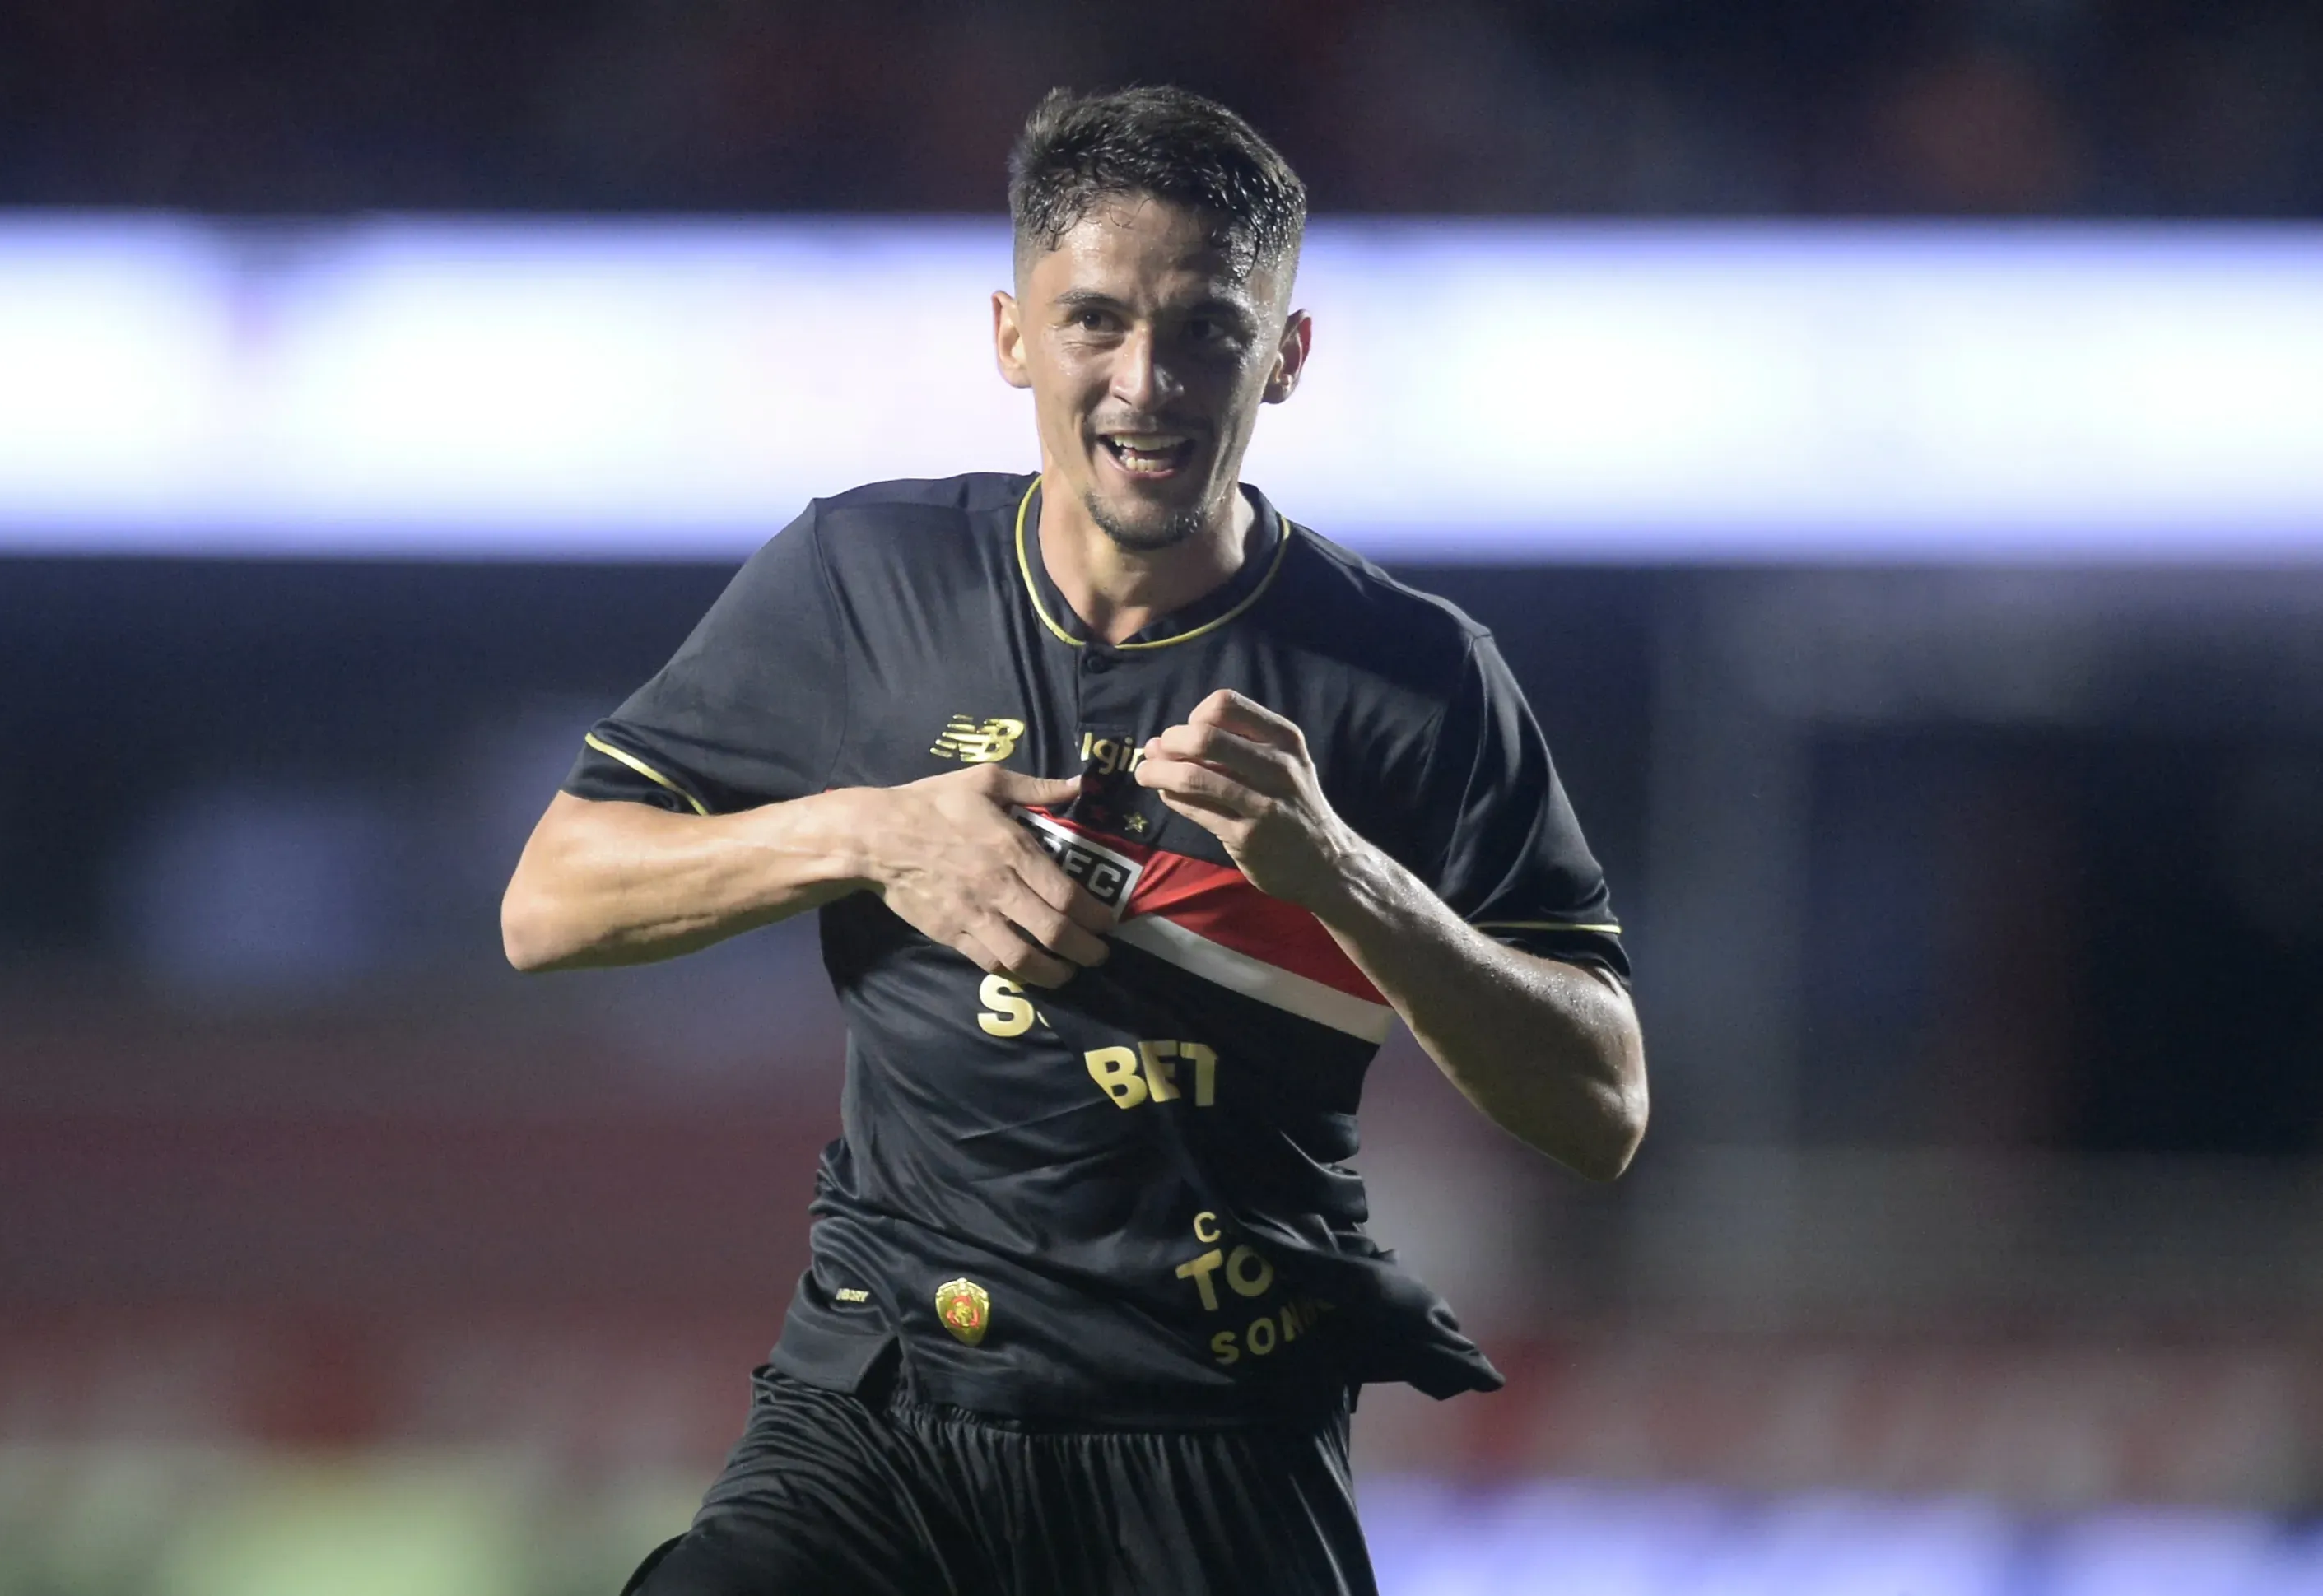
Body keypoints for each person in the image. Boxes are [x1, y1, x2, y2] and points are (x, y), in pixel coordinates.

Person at [501, 84, 1646, 1596]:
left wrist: (1349, 880)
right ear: (1011, 336)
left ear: (1285, 357)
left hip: (1217, 1443)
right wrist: (869, 831)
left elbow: (1601, 1102)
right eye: (1094, 320)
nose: (1144, 383)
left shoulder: (1414, 677)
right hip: (883, 1406)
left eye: (1206, 333)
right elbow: (551, 900)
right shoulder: (861, 576)